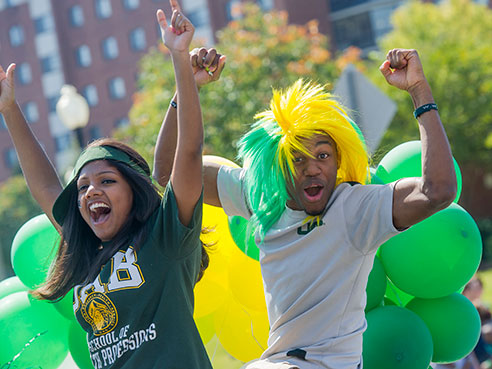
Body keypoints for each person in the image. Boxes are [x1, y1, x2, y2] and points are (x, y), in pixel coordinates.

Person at [192, 49, 457, 369]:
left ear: (339, 160)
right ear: (280, 168)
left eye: (322, 155)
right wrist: (186, 88)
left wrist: (419, 91)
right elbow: (171, 173)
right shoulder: (263, 200)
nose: (312, 168)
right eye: (297, 158)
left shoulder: (356, 208)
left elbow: (437, 190)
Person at [0, 1, 221, 367]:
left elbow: (189, 152)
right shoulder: (87, 253)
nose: (90, 192)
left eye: (106, 180)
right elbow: (46, 188)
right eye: (83, 186)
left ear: (134, 192)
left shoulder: (165, 237)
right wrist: (9, 109)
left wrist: (180, 59)